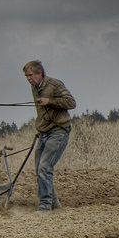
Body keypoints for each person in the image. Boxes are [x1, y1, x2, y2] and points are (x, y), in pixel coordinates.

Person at [23, 60, 75, 213]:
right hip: (44, 132)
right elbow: (41, 112)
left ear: (40, 73)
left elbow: (71, 103)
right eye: (26, 76)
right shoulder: (34, 88)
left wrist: (50, 101)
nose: (28, 79)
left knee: (45, 167)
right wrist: (40, 128)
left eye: (30, 75)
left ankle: (45, 205)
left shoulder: (54, 84)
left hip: (59, 130)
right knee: (39, 168)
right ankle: (54, 203)